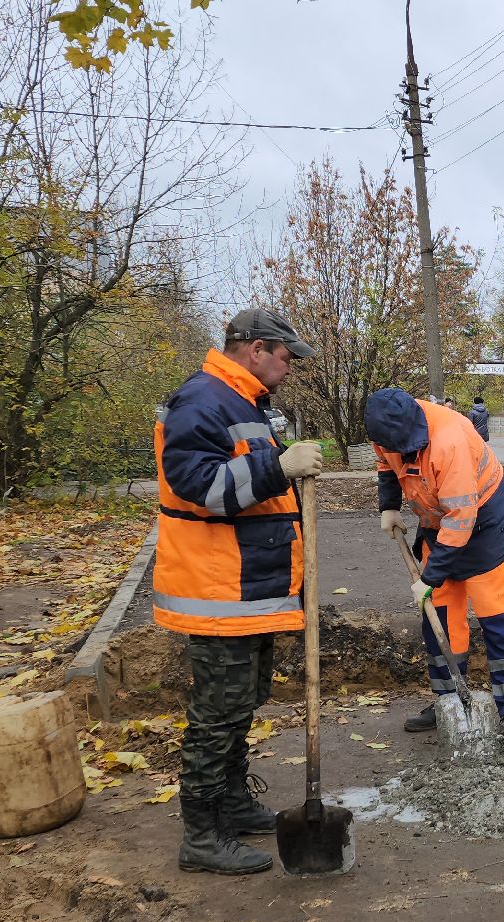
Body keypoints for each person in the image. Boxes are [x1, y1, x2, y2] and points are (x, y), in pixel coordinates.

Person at [153, 308, 326, 875]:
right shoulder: (201, 402)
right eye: (286, 356)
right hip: (219, 592)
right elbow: (202, 490)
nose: (290, 368)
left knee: (240, 706)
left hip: (251, 591)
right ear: (256, 349)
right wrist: (281, 467)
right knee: (217, 715)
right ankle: (201, 834)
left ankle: (228, 801)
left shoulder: (245, 402)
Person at [365, 388, 504, 742]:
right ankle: (448, 702)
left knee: (497, 618)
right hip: (437, 527)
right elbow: (386, 466)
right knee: (438, 620)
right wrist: (389, 506)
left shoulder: (449, 441)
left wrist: (430, 577)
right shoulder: (386, 433)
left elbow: (461, 520)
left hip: (485, 528)